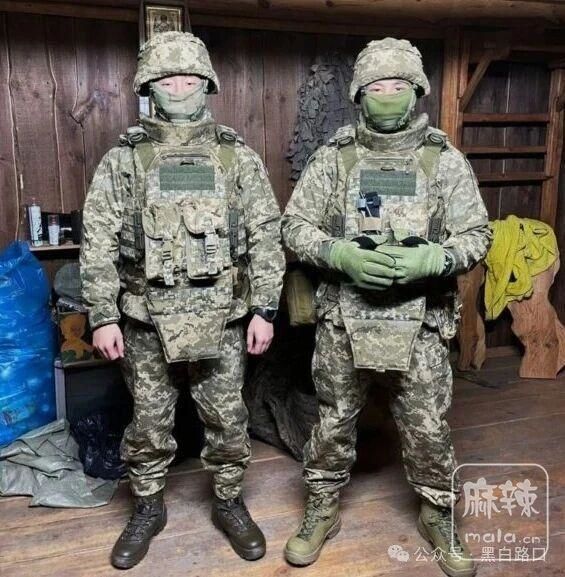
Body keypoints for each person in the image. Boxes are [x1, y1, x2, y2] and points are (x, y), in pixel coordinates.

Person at [281, 37, 491, 577]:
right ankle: (322, 507)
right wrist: (338, 254)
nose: (388, 94)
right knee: (332, 421)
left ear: (417, 91)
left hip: (419, 324)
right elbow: (294, 226)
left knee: (427, 427)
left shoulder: (443, 161)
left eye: (399, 85)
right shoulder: (335, 157)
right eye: (378, 86)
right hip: (344, 322)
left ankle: (437, 513)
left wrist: (436, 258)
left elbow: (477, 235)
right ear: (359, 93)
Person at [80, 31, 285, 569]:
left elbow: (265, 235)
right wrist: (102, 316)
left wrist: (265, 309)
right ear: (149, 87)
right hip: (145, 319)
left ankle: (228, 501)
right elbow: (97, 241)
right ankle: (148, 506)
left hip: (223, 317)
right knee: (149, 423)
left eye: (188, 79)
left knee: (228, 419)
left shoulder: (235, 156)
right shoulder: (124, 159)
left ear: (206, 84)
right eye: (167, 80)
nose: (178, 89)